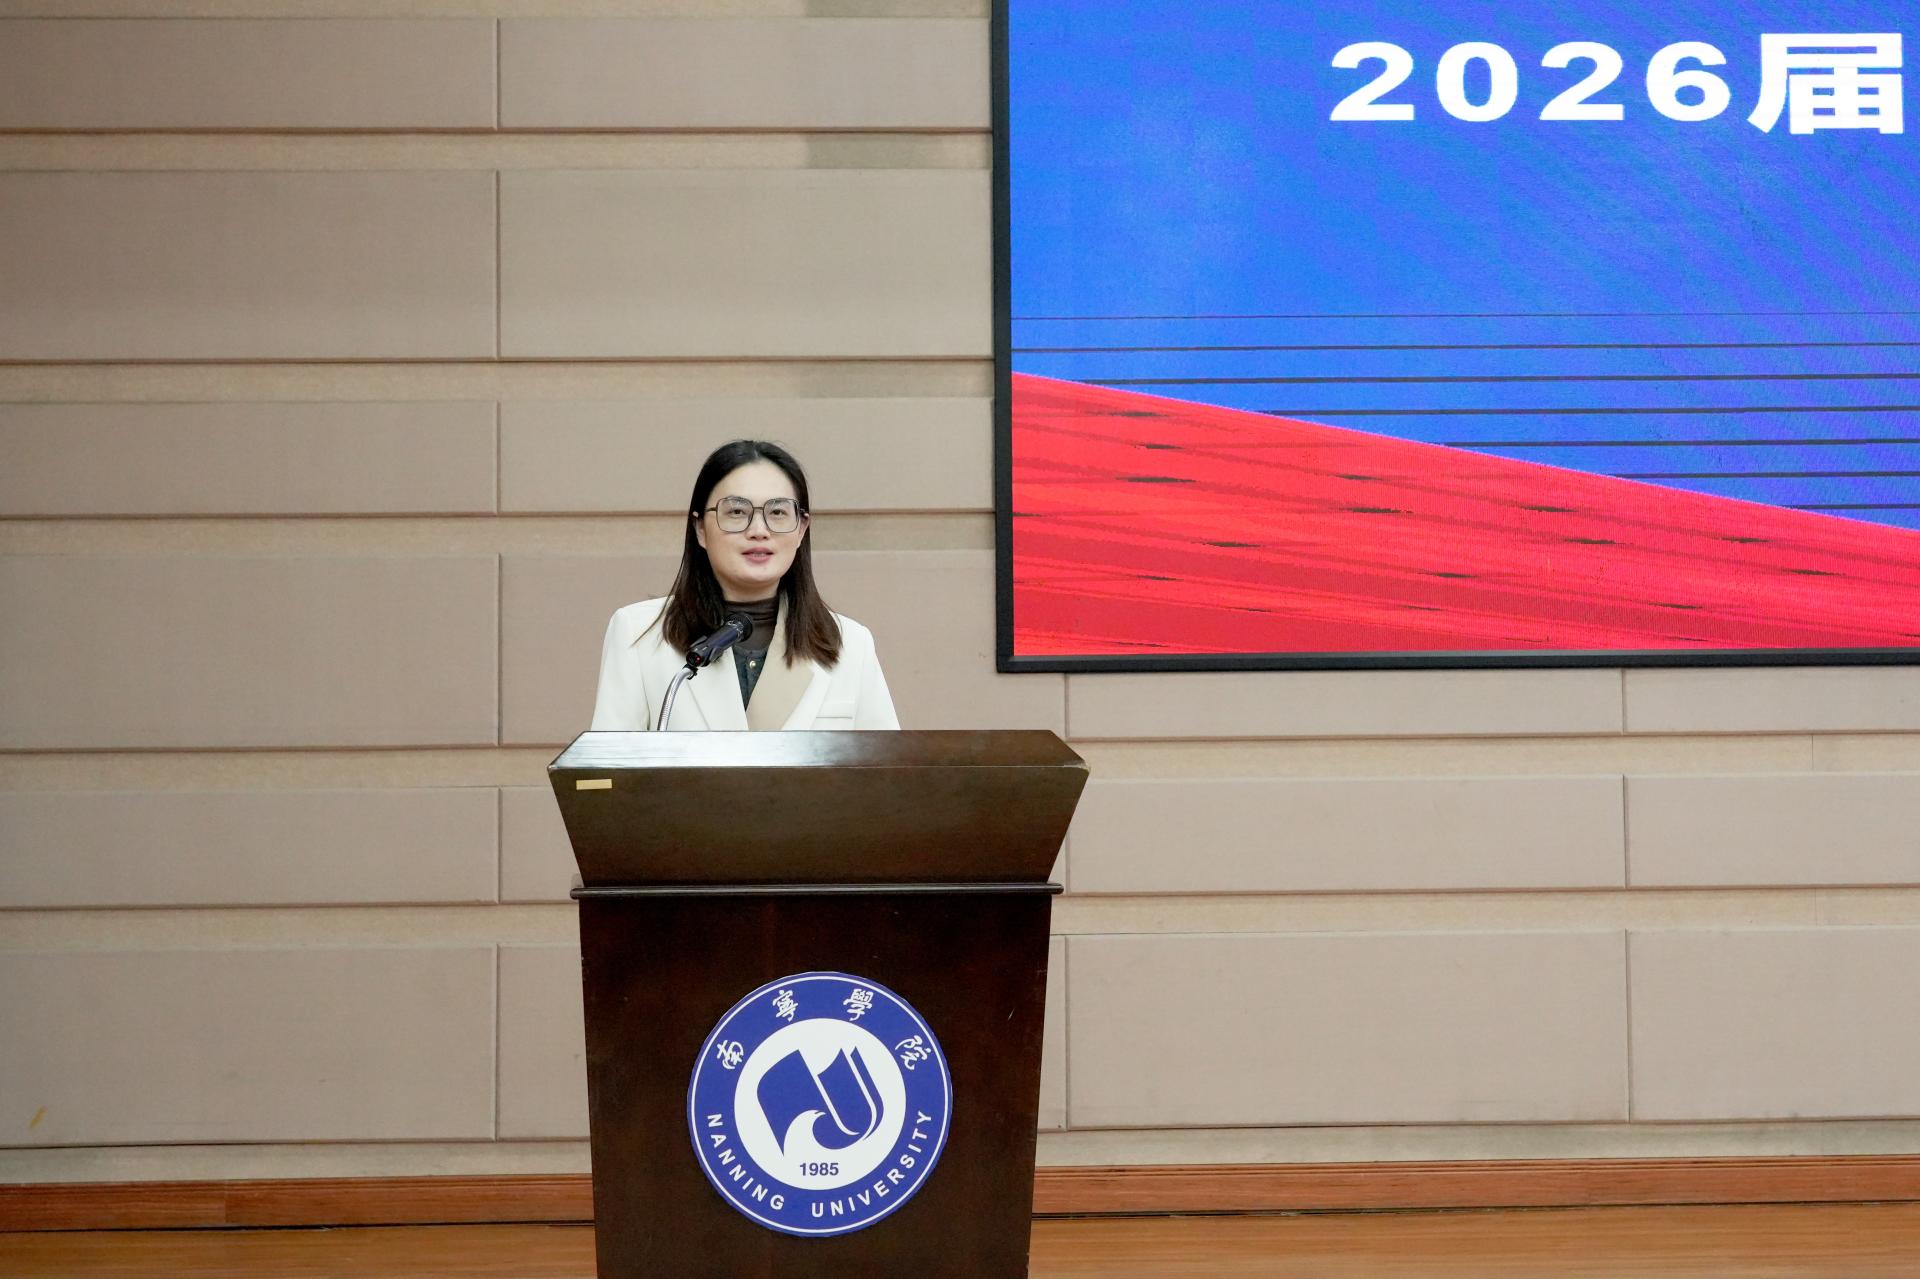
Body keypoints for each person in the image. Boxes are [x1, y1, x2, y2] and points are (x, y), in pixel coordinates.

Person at [589, 440, 900, 731]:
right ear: (700, 528)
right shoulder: (638, 634)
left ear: (801, 529)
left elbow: (887, 767)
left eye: (777, 512)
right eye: (737, 512)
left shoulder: (851, 644)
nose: (759, 530)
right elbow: (609, 767)